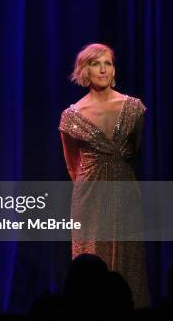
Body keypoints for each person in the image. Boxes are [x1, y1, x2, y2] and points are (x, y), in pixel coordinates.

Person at [59, 43, 149, 307]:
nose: (103, 69)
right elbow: (71, 165)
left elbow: (137, 152)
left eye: (107, 63)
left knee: (128, 258)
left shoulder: (134, 108)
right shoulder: (71, 116)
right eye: (95, 63)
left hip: (126, 191)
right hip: (89, 198)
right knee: (92, 258)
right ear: (84, 70)